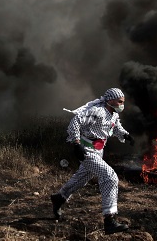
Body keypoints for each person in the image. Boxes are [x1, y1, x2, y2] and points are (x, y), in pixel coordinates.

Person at [51, 87, 135, 235]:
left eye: (123, 102)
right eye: (120, 101)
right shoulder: (98, 111)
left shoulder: (112, 113)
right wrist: (76, 144)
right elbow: (76, 120)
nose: (122, 104)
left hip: (98, 150)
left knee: (82, 178)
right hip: (87, 150)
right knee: (110, 176)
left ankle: (60, 197)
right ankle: (109, 220)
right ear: (110, 100)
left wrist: (125, 135)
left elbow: (114, 127)